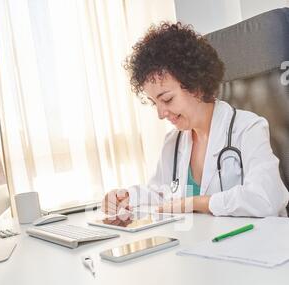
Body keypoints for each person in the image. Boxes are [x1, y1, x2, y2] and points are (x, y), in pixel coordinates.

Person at [102, 22, 289, 217]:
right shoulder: (173, 142)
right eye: (154, 102)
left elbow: (267, 199)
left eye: (167, 99)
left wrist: (196, 203)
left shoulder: (248, 128)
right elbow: (163, 194)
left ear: (196, 85)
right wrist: (128, 196)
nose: (160, 113)